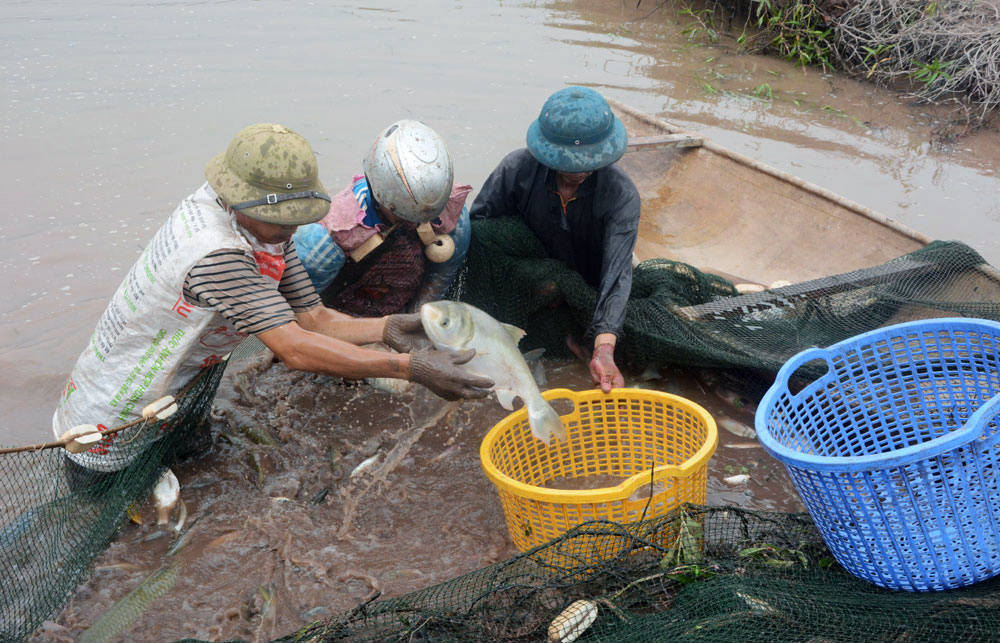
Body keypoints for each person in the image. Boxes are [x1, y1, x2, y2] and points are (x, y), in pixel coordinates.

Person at [53, 122, 492, 479]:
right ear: (246, 204)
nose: (293, 231)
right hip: (115, 415)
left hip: (181, 383)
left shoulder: (260, 227)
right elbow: (295, 349)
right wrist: (410, 368)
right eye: (283, 220)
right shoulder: (219, 254)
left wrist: (388, 327)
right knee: (113, 517)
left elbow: (314, 318)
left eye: (296, 217)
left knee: (192, 470)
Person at [469, 86, 640, 394]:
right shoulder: (516, 169)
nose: (577, 171)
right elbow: (480, 229)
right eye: (567, 162)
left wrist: (604, 348)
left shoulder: (620, 195)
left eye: (587, 162)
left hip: (584, 284)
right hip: (526, 276)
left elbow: (617, 275)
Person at [293, 119, 471, 318]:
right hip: (337, 320)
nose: (412, 223)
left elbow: (440, 277)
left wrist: (417, 320)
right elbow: (301, 309)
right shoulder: (331, 236)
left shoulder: (452, 219)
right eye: (402, 215)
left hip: (400, 312)